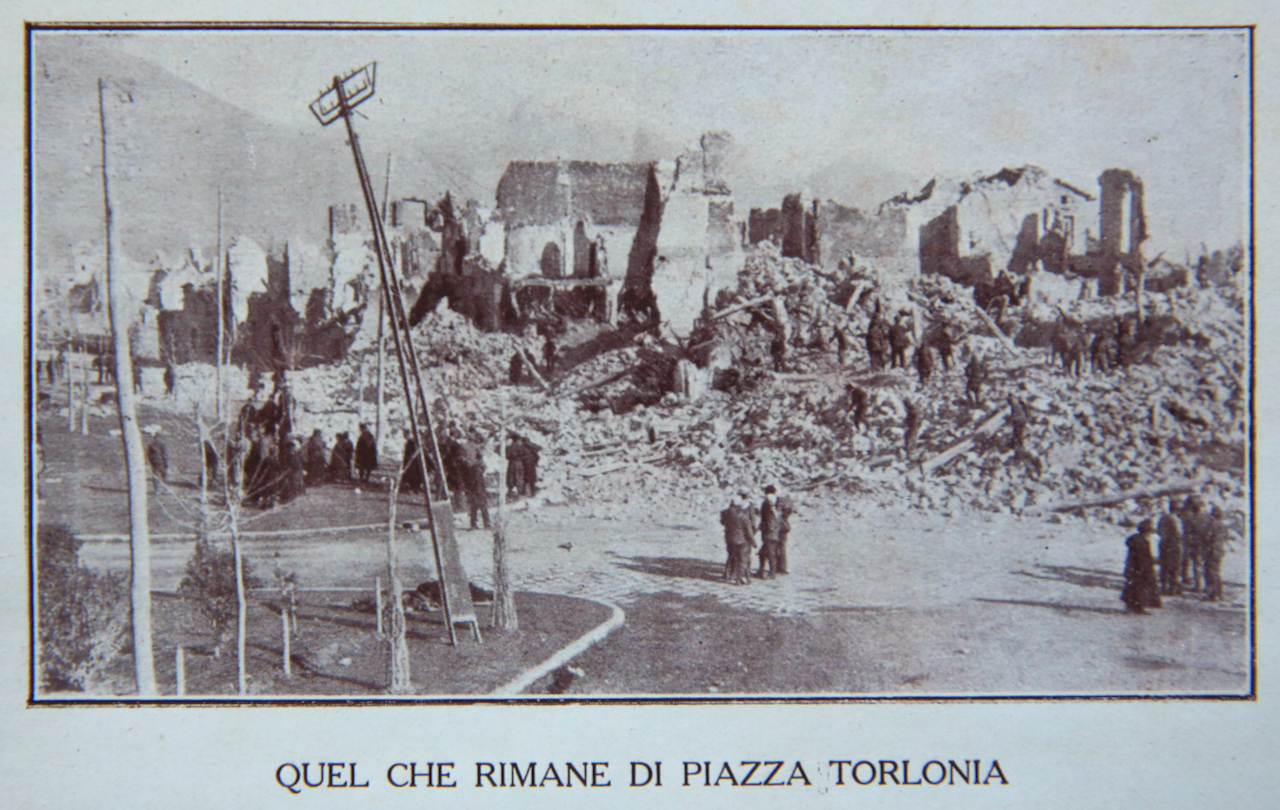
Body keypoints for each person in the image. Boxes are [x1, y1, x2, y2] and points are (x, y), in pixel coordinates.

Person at [1121, 519, 1162, 614]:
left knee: (1133, 588)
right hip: (1141, 569)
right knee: (1141, 589)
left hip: (1132, 568)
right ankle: (1138, 608)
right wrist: (1153, 562)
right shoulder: (1143, 542)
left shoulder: (1136, 539)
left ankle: (1132, 607)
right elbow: (1144, 558)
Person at [719, 490, 755, 586]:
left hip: (729, 539)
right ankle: (741, 578)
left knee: (731, 556)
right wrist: (753, 541)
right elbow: (749, 529)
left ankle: (728, 574)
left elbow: (723, 522)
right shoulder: (743, 516)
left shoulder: (726, 513)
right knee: (744, 559)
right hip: (742, 540)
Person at [757, 485, 790, 579]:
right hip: (781, 529)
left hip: (771, 531)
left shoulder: (768, 504)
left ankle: (771, 572)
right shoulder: (780, 502)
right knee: (775, 549)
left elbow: (767, 519)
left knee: (769, 551)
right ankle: (779, 569)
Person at [1156, 498, 1184, 595]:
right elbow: (1178, 533)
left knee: (1164, 566)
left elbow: (1159, 531)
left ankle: (1164, 586)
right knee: (1175, 567)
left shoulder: (1163, 518)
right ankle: (1173, 588)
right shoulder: (1176, 520)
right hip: (1174, 545)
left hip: (1164, 544)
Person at [1202, 506, 1229, 602]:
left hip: (1211, 551)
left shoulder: (1212, 525)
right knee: (1217, 573)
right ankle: (1219, 593)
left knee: (1211, 573)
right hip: (1219, 551)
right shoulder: (1223, 525)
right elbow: (1226, 537)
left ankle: (1213, 595)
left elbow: (1207, 538)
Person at [400, 430, 425, 494]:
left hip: (417, 462)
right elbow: (407, 453)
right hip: (411, 461)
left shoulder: (419, 443)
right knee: (411, 473)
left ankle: (416, 487)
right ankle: (412, 486)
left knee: (417, 473)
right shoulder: (410, 442)